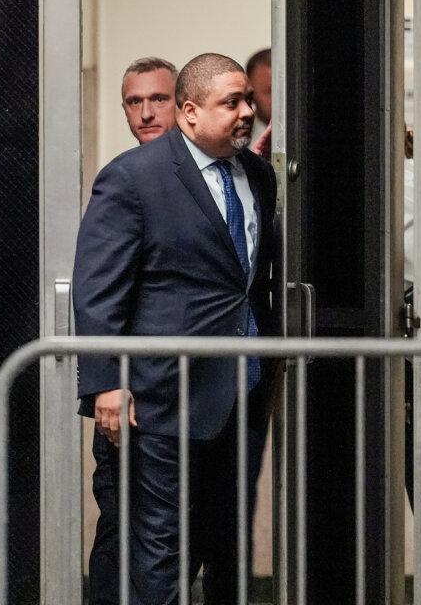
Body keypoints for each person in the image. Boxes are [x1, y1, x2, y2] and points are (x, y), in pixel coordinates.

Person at [74, 53, 277, 604]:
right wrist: (105, 383)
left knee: (223, 544)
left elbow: (249, 282)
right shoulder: (134, 177)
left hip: (240, 395)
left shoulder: (258, 174)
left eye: (247, 100)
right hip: (161, 395)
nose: (245, 112)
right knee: (159, 551)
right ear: (189, 113)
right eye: (230, 102)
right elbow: (98, 288)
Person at [86, 55, 179, 605]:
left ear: (182, 106)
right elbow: (100, 289)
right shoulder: (122, 176)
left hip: (184, 388)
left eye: (157, 99)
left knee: (167, 534)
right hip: (128, 388)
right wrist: (104, 382)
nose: (145, 112)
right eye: (133, 102)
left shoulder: (209, 174)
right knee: (123, 525)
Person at [120, 57, 178, 144]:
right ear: (125, 111)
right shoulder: (124, 158)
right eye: (135, 102)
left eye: (159, 100)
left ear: (181, 105)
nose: (146, 114)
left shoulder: (202, 156)